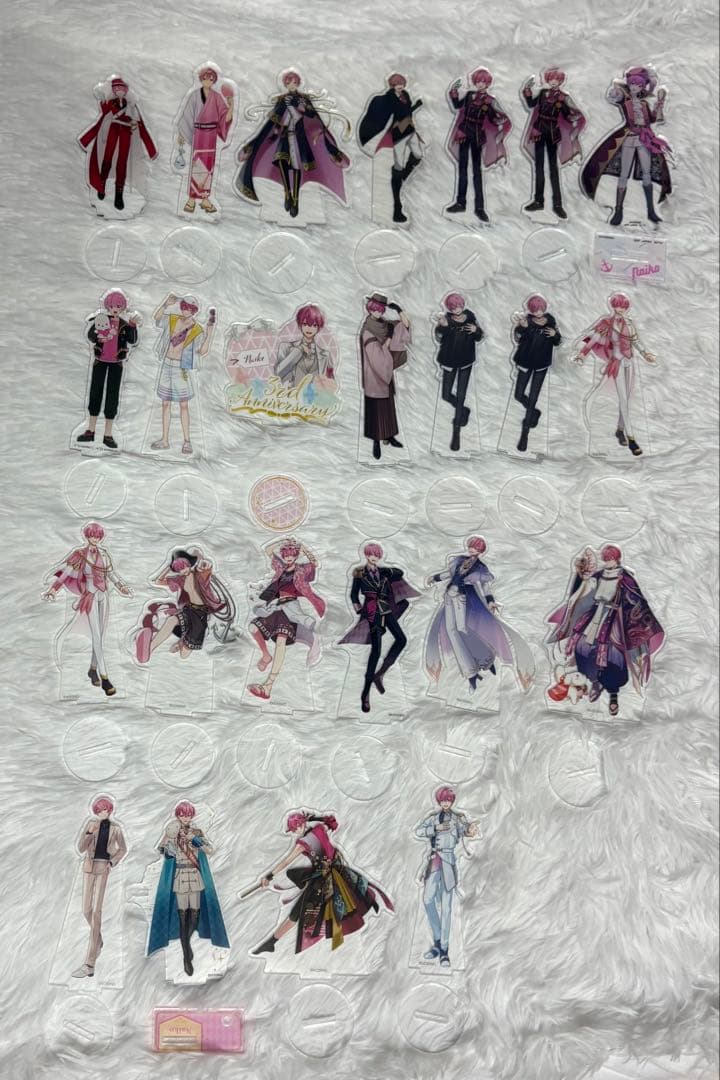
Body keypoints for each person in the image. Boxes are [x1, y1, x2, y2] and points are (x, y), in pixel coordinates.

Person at [249, 811, 393, 956]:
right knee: (352, 893)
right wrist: (313, 818)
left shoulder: (303, 843)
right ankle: (272, 942)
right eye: (292, 830)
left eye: (295, 828)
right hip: (338, 872)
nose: (294, 832)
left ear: (301, 824)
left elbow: (286, 861)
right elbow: (332, 824)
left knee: (298, 912)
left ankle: (272, 942)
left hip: (323, 881)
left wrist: (269, 876)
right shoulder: (319, 829)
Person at [547, 545, 665, 717]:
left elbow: (636, 600)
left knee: (613, 655)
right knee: (582, 647)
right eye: (606, 559)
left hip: (615, 618)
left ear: (616, 559)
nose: (607, 562)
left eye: (610, 559)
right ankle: (594, 680)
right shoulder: (599, 575)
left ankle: (613, 694)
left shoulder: (625, 578)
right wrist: (581, 578)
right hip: (595, 614)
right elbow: (582, 591)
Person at [424, 536, 534, 693]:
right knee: (451, 631)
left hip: (461, 597)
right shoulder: (459, 560)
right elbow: (448, 574)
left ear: (480, 551)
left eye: (475, 547)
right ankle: (471, 672)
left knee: (461, 628)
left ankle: (486, 658)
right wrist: (434, 578)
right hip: (449, 595)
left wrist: (490, 601)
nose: (471, 549)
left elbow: (485, 586)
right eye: (471, 546)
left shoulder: (480, 568)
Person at [236, 70, 350, 219]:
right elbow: (272, 122)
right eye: (289, 83)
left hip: (299, 138)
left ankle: (295, 198)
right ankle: (287, 193)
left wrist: (301, 108)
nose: (292, 85)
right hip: (284, 137)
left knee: (296, 166)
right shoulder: (282, 100)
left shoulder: (303, 99)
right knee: (281, 161)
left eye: (294, 82)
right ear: (285, 84)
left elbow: (313, 117)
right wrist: (265, 137)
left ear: (298, 83)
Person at [43, 523, 131, 696]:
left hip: (103, 595)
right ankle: (105, 678)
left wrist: (121, 586)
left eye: (98, 536)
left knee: (101, 635)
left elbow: (110, 574)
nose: (95, 539)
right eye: (92, 535)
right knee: (96, 635)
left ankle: (92, 669)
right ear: (87, 536)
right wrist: (53, 590)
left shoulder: (104, 553)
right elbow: (66, 573)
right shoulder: (80, 554)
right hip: (90, 596)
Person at [581, 66, 671, 226]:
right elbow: (613, 96)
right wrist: (618, 87)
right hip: (629, 138)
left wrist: (659, 104)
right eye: (632, 84)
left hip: (644, 140)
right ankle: (618, 211)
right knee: (623, 174)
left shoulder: (644, 104)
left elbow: (652, 119)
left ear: (643, 86)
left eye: (638, 84)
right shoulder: (625, 101)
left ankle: (651, 211)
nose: (634, 87)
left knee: (647, 174)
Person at [147, 802, 229, 977]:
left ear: (192, 816)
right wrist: (170, 843)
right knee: (183, 916)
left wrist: (195, 840)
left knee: (195, 916)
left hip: (195, 875)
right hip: (180, 875)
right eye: (182, 815)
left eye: (188, 814)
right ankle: (186, 956)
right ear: (178, 815)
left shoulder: (196, 832)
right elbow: (163, 851)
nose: (185, 817)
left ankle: (186, 946)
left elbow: (210, 850)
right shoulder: (173, 832)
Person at [338, 542, 420, 712]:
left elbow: (400, 572)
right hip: (371, 610)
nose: (373, 557)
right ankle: (365, 693)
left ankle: (380, 673)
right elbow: (353, 595)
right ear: (366, 555)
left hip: (385, 607)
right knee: (376, 651)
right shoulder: (359, 573)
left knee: (402, 639)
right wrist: (359, 609)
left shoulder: (383, 572)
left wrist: (386, 570)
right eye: (371, 554)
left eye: (376, 555)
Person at [574, 292, 656, 457]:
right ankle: (631, 439)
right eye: (618, 305)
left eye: (623, 306)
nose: (621, 309)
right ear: (613, 306)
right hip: (616, 363)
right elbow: (593, 339)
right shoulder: (607, 323)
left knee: (627, 398)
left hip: (629, 362)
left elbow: (635, 341)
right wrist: (582, 354)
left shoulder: (629, 322)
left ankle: (619, 430)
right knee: (623, 399)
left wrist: (645, 353)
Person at [248, 539, 325, 701]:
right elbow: (268, 550)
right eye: (286, 555)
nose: (289, 558)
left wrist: (303, 548)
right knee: (253, 628)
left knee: (281, 642)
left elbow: (315, 563)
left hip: (290, 607)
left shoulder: (302, 570)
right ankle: (266, 655)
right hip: (275, 606)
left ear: (296, 556)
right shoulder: (280, 567)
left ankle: (268, 686)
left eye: (292, 555)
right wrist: (284, 540)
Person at [135, 547, 235, 662]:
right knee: (172, 620)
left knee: (184, 655)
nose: (183, 571)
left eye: (185, 566)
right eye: (180, 569)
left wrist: (203, 561)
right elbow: (158, 581)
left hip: (201, 615)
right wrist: (169, 567)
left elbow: (206, 566)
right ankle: (148, 650)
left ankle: (180, 643)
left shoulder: (200, 575)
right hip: (188, 610)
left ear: (189, 564)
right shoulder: (180, 580)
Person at [414, 788, 478, 968]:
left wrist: (471, 830)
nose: (445, 803)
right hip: (434, 862)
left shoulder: (457, 819)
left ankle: (444, 950)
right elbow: (418, 831)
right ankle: (436, 941)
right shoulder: (433, 818)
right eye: (443, 800)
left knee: (447, 908)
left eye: (448, 800)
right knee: (427, 900)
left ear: (452, 801)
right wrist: (435, 829)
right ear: (439, 801)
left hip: (448, 863)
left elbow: (467, 831)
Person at [78, 75, 158, 211]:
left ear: (125, 91)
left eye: (122, 89)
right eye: (117, 89)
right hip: (113, 130)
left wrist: (151, 150)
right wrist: (101, 96)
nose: (120, 91)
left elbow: (142, 127)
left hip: (126, 133)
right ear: (114, 91)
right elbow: (102, 115)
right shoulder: (110, 103)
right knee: (107, 157)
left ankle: (119, 194)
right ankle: (101, 184)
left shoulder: (131, 105)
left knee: (122, 162)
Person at [151, 294, 216, 455]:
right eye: (184, 307)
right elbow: (157, 319)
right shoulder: (173, 319)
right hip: (167, 364)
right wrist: (165, 304)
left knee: (184, 405)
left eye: (189, 309)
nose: (186, 311)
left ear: (194, 311)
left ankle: (187, 442)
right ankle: (165, 440)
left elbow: (202, 351)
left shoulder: (197, 329)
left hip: (181, 368)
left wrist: (209, 333)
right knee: (165, 403)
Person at [76, 290, 141, 449]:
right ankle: (90, 430)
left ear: (123, 307)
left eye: (118, 306)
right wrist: (99, 334)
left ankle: (108, 434)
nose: (115, 309)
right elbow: (91, 336)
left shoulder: (124, 324)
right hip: (100, 361)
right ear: (108, 306)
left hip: (116, 364)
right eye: (112, 306)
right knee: (95, 392)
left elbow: (132, 340)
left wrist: (133, 325)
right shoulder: (101, 319)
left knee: (113, 395)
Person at [72, 797, 127, 979]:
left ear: (109, 810)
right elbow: (81, 848)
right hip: (88, 868)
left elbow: (123, 849)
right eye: (99, 810)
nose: (102, 812)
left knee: (96, 911)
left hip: (103, 867)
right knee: (86, 909)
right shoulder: (90, 824)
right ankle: (99, 939)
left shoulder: (116, 829)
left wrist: (112, 861)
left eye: (104, 809)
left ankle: (89, 964)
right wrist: (89, 833)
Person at [446, 68, 511, 221]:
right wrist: (454, 94)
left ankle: (479, 208)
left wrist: (499, 120)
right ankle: (460, 203)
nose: (480, 84)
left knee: (477, 172)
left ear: (488, 83)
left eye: (483, 82)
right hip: (464, 133)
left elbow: (494, 118)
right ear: (475, 82)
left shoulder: (490, 101)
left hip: (477, 136)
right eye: (478, 81)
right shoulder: (469, 95)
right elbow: (457, 107)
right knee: (462, 169)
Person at [521, 68, 586, 219]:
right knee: (538, 167)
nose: (553, 82)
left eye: (556, 79)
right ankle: (538, 201)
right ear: (548, 79)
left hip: (553, 133)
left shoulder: (563, 97)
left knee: (553, 169)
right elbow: (531, 105)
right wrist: (527, 91)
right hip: (539, 131)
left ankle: (558, 205)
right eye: (551, 79)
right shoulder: (543, 93)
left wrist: (573, 116)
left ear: (561, 81)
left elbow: (568, 115)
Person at [359, 73, 424, 223]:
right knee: (398, 166)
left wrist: (414, 107)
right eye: (397, 84)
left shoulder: (405, 95)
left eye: (402, 83)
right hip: (398, 134)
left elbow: (406, 112)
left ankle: (402, 178)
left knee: (418, 155)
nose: (400, 86)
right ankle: (397, 208)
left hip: (410, 129)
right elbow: (397, 112)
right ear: (392, 85)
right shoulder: (388, 98)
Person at [174, 63, 234, 215]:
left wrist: (231, 105)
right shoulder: (194, 95)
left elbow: (225, 118)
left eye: (211, 79)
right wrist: (182, 135)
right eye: (206, 78)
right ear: (201, 79)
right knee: (197, 165)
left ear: (214, 81)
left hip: (211, 135)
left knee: (208, 167)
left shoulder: (217, 97)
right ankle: (191, 198)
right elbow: (187, 116)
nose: (208, 81)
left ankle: (205, 198)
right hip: (199, 134)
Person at [360, 294, 411, 460]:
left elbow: (405, 326)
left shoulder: (385, 324)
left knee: (388, 407)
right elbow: (376, 357)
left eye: (381, 310)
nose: (378, 312)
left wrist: (399, 310)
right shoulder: (367, 331)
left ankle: (389, 436)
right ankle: (376, 442)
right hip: (374, 376)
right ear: (370, 309)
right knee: (375, 409)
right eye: (375, 309)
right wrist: (389, 339)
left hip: (385, 374)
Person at [510, 294, 562, 452]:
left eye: (541, 309)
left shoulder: (550, 320)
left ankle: (524, 434)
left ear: (544, 308)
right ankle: (534, 412)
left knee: (533, 397)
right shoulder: (526, 320)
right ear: (531, 310)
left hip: (541, 364)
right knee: (518, 394)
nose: (538, 312)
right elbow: (518, 338)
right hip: (525, 362)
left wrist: (555, 335)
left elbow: (557, 341)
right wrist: (522, 327)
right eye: (535, 310)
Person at [433, 293, 484, 451]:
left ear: (463, 305)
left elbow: (479, 337)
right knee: (446, 394)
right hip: (449, 361)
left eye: (459, 306)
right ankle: (464, 410)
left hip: (466, 362)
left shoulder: (470, 316)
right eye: (453, 307)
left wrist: (476, 330)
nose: (457, 309)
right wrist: (442, 326)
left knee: (461, 395)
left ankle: (456, 433)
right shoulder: (446, 319)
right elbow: (439, 337)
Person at [275, 305, 333, 387]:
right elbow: (278, 374)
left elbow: (331, 384)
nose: (309, 328)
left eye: (314, 325)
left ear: (319, 328)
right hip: (291, 393)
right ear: (300, 325)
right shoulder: (286, 347)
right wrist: (299, 350)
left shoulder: (325, 355)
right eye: (305, 324)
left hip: (315, 394)